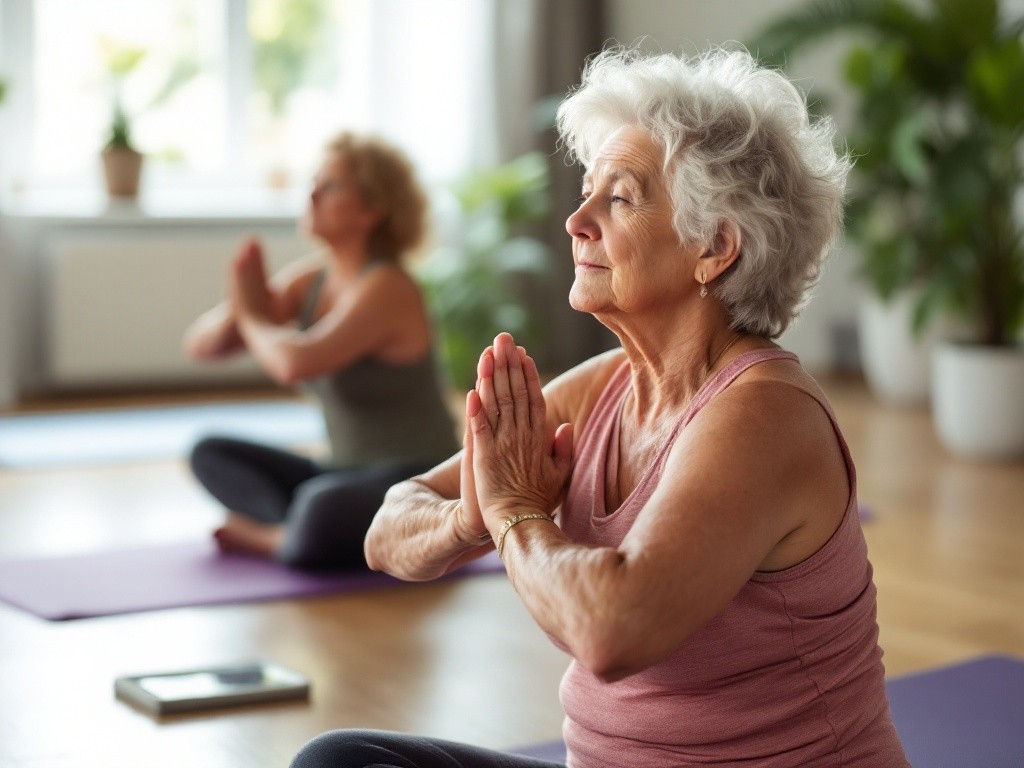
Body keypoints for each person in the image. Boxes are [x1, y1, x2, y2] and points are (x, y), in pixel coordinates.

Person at [291, 48, 909, 766]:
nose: (576, 221)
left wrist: (516, 515)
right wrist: (472, 512)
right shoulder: (606, 387)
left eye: (619, 197)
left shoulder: (765, 415)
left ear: (714, 247)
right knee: (341, 759)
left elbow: (614, 630)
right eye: (587, 192)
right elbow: (386, 528)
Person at [183, 132, 457, 570]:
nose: (310, 195)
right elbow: (201, 346)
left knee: (321, 507)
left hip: (420, 479)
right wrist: (243, 300)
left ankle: (277, 538)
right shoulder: (311, 280)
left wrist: (251, 314)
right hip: (343, 471)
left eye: (329, 186)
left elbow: (294, 362)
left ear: (372, 209)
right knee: (209, 452)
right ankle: (298, 532)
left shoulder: (388, 286)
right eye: (312, 182)